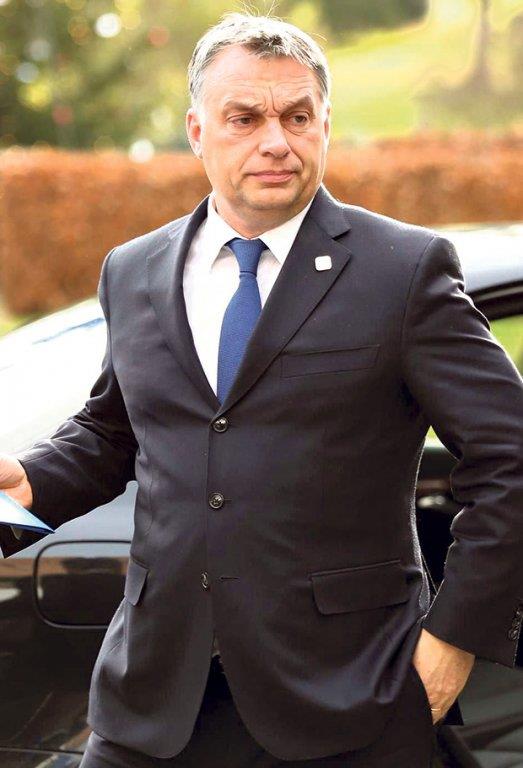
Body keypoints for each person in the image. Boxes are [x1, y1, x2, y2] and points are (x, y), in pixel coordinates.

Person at [1, 11, 522, 768]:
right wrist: (29, 481)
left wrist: (453, 640)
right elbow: (116, 430)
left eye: (296, 116)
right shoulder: (133, 270)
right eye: (244, 118)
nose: (275, 141)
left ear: (324, 123)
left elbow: (510, 459)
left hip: (350, 700)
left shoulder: (403, 272)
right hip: (152, 700)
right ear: (197, 130)